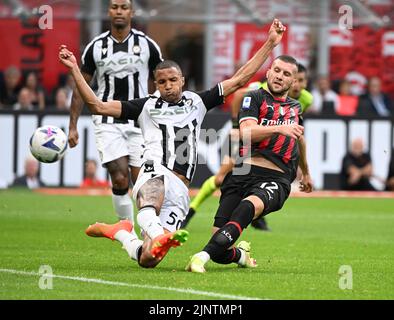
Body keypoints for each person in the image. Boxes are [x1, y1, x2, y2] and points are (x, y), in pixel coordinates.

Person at [59, 18, 287, 268]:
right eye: (162, 82)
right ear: (155, 85)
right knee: (151, 198)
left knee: (148, 259)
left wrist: (270, 43)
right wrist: (74, 69)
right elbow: (97, 106)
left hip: (181, 187)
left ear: (182, 81)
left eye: (172, 80)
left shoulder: (197, 102)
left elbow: (240, 79)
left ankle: (122, 232)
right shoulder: (145, 106)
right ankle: (158, 234)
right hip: (155, 169)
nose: (168, 86)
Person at [186, 54, 313, 273]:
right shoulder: (253, 98)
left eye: (287, 74)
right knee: (221, 245)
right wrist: (279, 128)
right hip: (242, 172)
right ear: (269, 72)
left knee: (247, 208)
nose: (280, 76)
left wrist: (306, 172)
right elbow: (246, 132)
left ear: (293, 82)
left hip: (276, 178)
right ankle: (240, 255)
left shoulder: (295, 107)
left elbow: (299, 137)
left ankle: (200, 257)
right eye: (276, 70)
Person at [67, 0, 162, 230]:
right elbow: (82, 86)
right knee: (119, 178)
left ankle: (151, 233)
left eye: (124, 7)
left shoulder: (147, 45)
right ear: (109, 11)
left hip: (139, 120)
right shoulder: (95, 47)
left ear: (131, 12)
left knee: (142, 181)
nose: (119, 11)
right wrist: (73, 126)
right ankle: (127, 231)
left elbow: (163, 78)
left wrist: (158, 112)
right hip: (107, 121)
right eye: (114, 7)